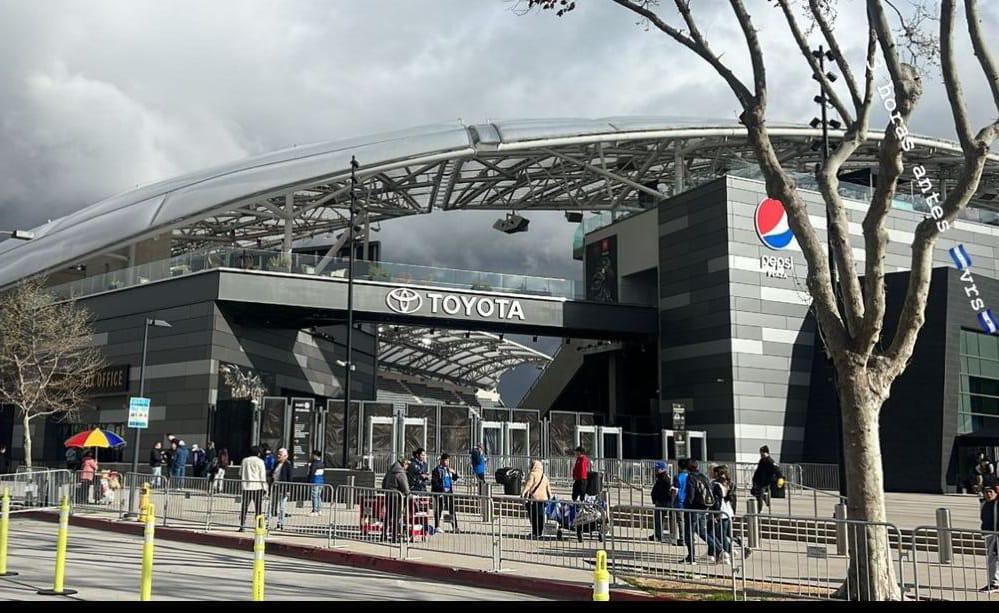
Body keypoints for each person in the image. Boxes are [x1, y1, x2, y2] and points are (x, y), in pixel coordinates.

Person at [683, 459, 722, 563]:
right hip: (704, 508)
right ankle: (718, 549)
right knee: (702, 531)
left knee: (689, 533)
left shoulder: (691, 477)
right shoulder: (703, 476)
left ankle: (691, 556)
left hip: (693, 509)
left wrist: (686, 506)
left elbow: (690, 495)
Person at [709, 465, 737, 564]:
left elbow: (717, 501)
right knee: (723, 534)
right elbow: (733, 499)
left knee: (720, 534)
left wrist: (715, 514)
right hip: (728, 511)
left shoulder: (717, 485)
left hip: (721, 512)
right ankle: (726, 552)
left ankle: (725, 553)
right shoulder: (729, 484)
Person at [381, 458, 412, 542]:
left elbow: (383, 483)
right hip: (397, 497)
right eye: (407, 465)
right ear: (403, 464)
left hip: (388, 495)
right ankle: (394, 537)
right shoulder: (400, 473)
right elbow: (405, 487)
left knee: (388, 516)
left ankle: (383, 535)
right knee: (396, 517)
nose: (407, 467)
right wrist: (409, 494)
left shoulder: (390, 471)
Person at [239, 446, 268, 532]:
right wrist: (265, 487)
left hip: (246, 486)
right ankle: (258, 526)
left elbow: (240, 473)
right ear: (258, 453)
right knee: (258, 508)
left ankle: (242, 525)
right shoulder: (260, 462)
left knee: (244, 507)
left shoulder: (244, 461)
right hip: (257, 487)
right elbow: (262, 476)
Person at [521, 459, 552, 538]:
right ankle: (540, 532)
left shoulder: (532, 474)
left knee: (534, 516)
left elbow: (528, 485)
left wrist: (523, 493)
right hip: (543, 499)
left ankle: (535, 532)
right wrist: (550, 497)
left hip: (534, 499)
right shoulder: (544, 476)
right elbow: (548, 489)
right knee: (541, 516)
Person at [431, 453, 460, 534]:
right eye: (445, 460)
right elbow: (434, 482)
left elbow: (455, 478)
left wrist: (455, 473)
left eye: (448, 460)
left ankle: (454, 526)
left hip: (449, 492)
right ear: (441, 460)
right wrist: (441, 488)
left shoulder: (448, 469)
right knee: (438, 509)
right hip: (440, 492)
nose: (447, 462)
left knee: (451, 509)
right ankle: (437, 526)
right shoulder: (437, 470)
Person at [269, 448, 293, 529]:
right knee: (271, 505)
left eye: (280, 455)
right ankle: (269, 522)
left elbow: (290, 478)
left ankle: (280, 523)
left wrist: (288, 490)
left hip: (283, 488)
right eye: (278, 454)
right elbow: (272, 473)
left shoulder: (288, 464)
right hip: (275, 487)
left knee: (282, 506)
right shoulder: (276, 463)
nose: (278, 456)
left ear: (285, 456)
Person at [981, 484, 999, 593]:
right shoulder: (984, 504)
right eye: (986, 492)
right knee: (993, 558)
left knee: (993, 559)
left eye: (990, 492)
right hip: (989, 533)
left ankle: (994, 583)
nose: (988, 494)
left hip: (996, 533)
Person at [649, 461, 673, 542]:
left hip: (664, 501)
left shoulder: (665, 478)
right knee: (658, 519)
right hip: (660, 500)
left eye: (657, 469)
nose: (655, 470)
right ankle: (657, 534)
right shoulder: (660, 478)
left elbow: (666, 490)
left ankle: (659, 535)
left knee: (660, 518)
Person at [751, 446, 779, 513]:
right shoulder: (761, 460)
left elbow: (776, 469)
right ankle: (765, 498)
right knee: (754, 492)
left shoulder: (769, 460)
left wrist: (778, 478)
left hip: (764, 482)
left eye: (762, 453)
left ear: (766, 453)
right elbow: (758, 470)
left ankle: (759, 510)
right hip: (758, 480)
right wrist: (754, 479)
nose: (761, 454)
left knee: (759, 496)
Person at [672, 459, 689, 547]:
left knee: (680, 520)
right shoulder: (690, 476)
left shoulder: (677, 477)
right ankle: (689, 537)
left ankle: (682, 538)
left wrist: (672, 500)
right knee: (687, 520)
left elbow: (676, 490)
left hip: (679, 501)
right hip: (688, 502)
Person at [306, 450, 325, 516]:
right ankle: (319, 510)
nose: (311, 456)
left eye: (312, 455)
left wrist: (308, 480)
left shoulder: (314, 464)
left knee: (314, 496)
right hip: (321, 481)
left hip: (315, 481)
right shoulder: (322, 463)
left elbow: (311, 473)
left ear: (315, 455)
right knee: (318, 496)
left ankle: (314, 510)